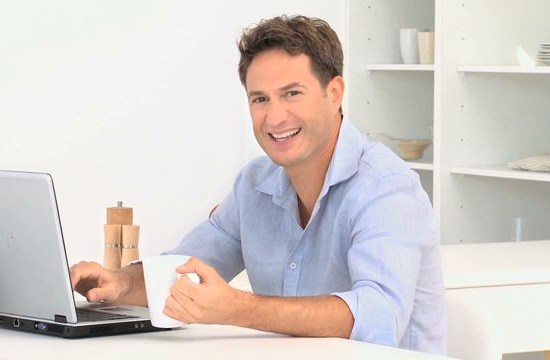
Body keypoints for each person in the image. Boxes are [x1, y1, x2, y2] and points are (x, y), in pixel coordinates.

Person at [70, 15, 446, 355]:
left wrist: (236, 307)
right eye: (260, 99)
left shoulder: (387, 189)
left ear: (334, 93)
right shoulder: (254, 185)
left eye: (292, 93)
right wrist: (119, 284)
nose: (275, 116)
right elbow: (180, 272)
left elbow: (379, 316)